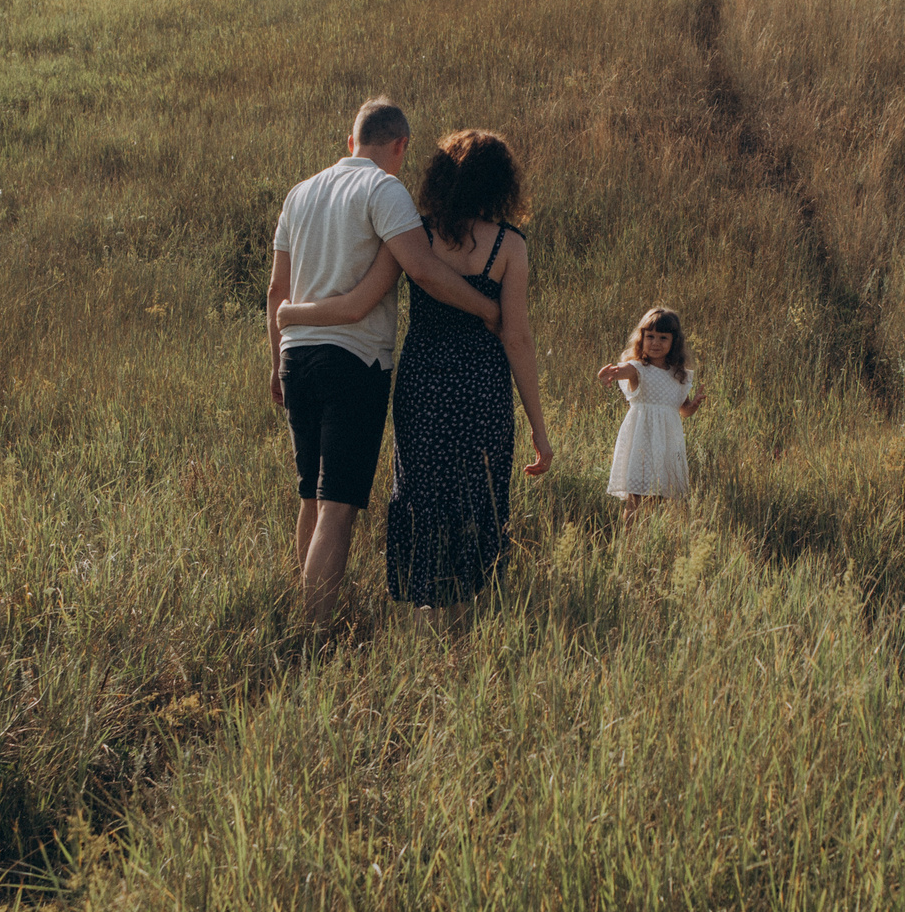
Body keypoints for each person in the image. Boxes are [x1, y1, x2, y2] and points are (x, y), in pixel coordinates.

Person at [279, 130, 551, 618]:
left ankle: (423, 610)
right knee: (476, 495)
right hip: (481, 387)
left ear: (440, 179)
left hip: (422, 383)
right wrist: (539, 428)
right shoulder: (510, 245)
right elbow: (518, 340)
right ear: (501, 183)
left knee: (422, 494)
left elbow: (361, 301)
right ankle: (462, 618)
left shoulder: (416, 236)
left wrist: (293, 315)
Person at [598, 307, 705, 521]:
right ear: (641, 338)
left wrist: (692, 406)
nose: (655, 343)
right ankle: (628, 547)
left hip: (667, 444)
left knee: (662, 497)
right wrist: (610, 373)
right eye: (650, 337)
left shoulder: (678, 375)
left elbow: (681, 410)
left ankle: (652, 543)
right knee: (635, 497)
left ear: (674, 341)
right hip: (641, 442)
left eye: (663, 338)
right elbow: (623, 370)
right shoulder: (638, 368)